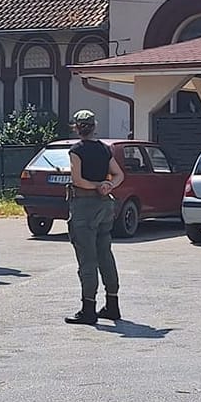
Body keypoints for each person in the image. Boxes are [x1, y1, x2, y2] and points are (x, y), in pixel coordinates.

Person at [63, 110, 125, 325]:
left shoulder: (76, 150)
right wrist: (107, 185)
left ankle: (88, 309)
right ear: (94, 125)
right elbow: (119, 174)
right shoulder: (104, 149)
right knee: (105, 254)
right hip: (104, 205)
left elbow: (78, 180)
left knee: (87, 258)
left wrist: (96, 186)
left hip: (84, 205)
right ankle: (112, 304)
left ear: (77, 127)